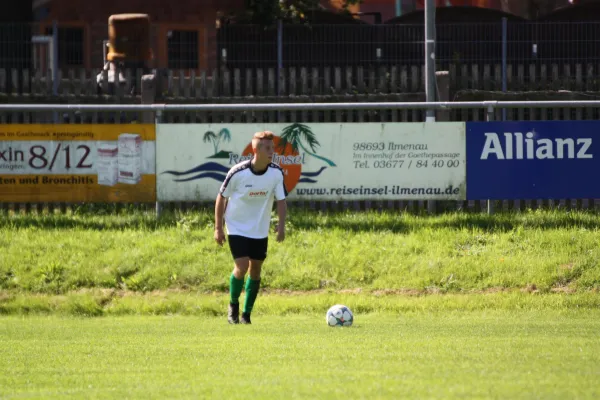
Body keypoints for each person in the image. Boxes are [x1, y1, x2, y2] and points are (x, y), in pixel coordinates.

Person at [214, 130, 288, 324]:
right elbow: (221, 197)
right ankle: (233, 307)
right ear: (256, 150)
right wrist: (218, 228)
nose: (272, 151)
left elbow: (281, 200)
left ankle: (246, 315)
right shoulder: (238, 172)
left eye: (273, 147)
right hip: (236, 226)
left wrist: (281, 227)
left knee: (255, 270)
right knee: (242, 265)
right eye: (268, 148)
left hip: (260, 228)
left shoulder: (276, 173)